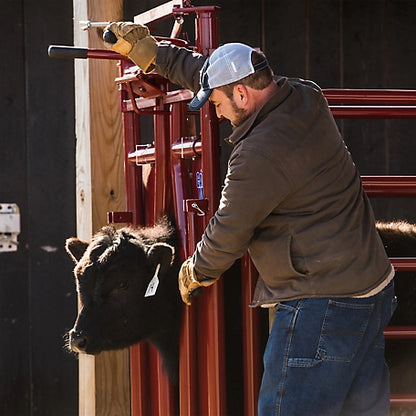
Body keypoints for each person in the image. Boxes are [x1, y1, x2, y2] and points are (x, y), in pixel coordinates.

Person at [104, 22, 397, 416]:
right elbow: (215, 75)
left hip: (321, 304)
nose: (217, 113)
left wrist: (194, 271)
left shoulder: (258, 153)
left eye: (218, 104)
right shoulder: (304, 95)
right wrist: (157, 56)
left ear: (242, 93)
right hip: (370, 288)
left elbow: (228, 231)